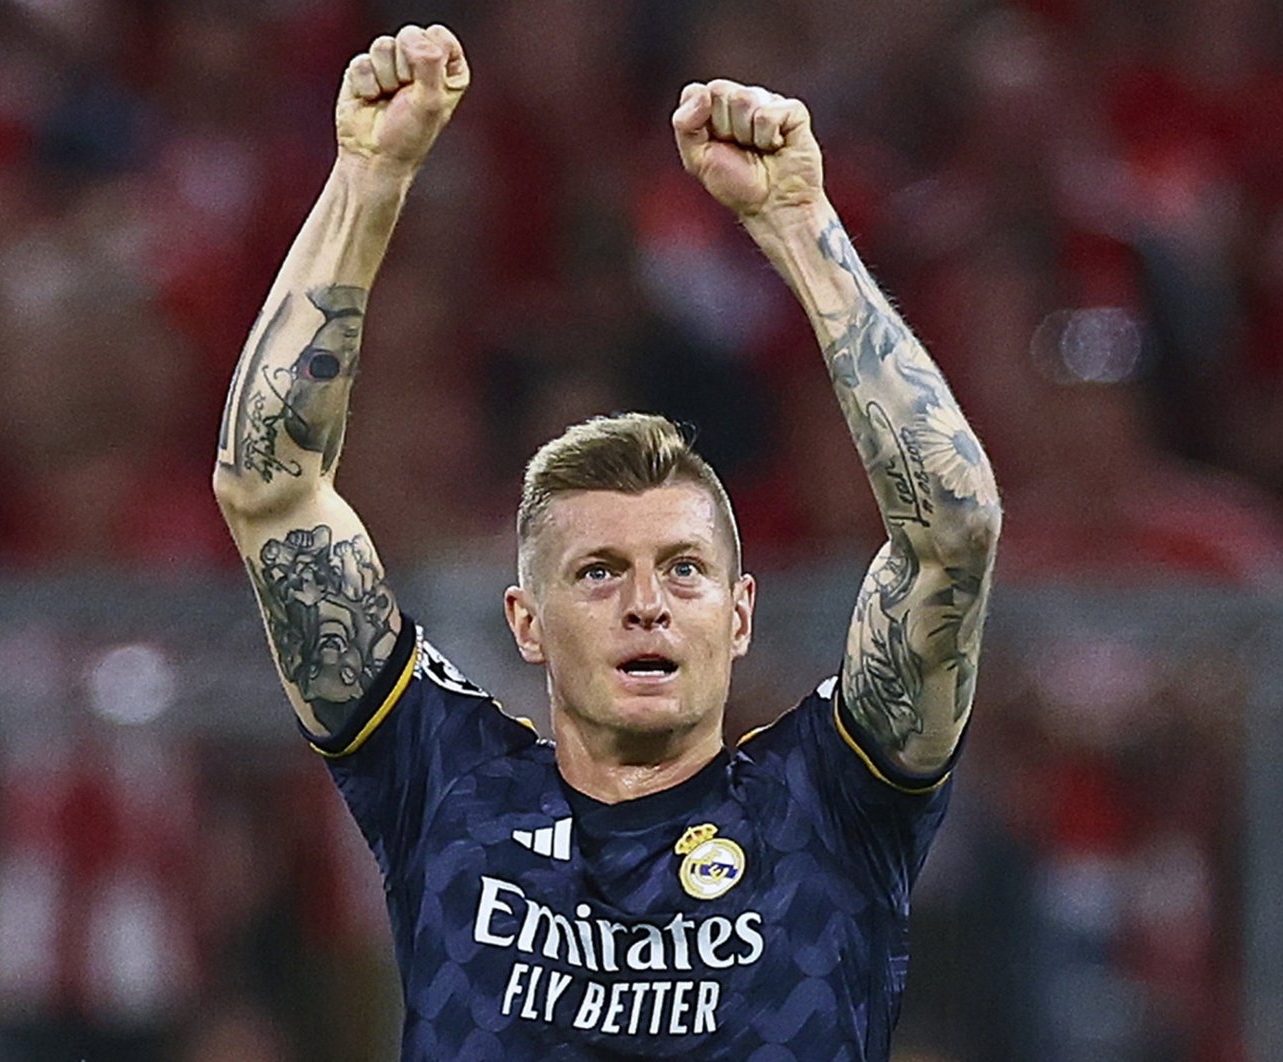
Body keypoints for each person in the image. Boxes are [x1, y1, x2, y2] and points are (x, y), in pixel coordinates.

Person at [212, 23, 1001, 1059]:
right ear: (524, 622)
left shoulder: (830, 810)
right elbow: (269, 489)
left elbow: (952, 530)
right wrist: (368, 178)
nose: (646, 603)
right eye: (598, 572)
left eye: (683, 569)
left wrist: (803, 230)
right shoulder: (446, 788)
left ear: (740, 613)